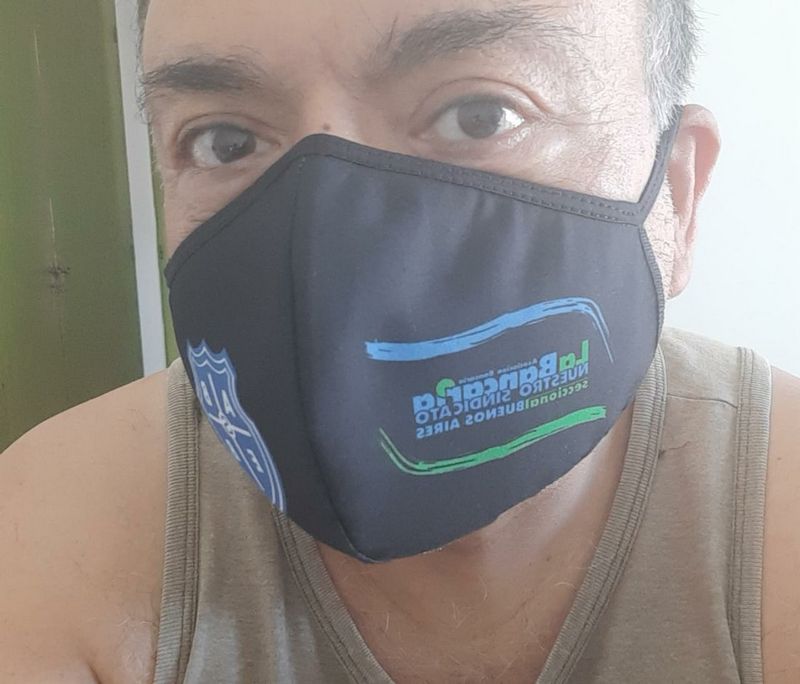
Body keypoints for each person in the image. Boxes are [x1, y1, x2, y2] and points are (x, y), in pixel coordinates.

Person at [1, 0, 798, 681]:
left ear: (678, 196)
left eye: (480, 115)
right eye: (225, 142)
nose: (331, 248)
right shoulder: (56, 525)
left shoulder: (774, 517)